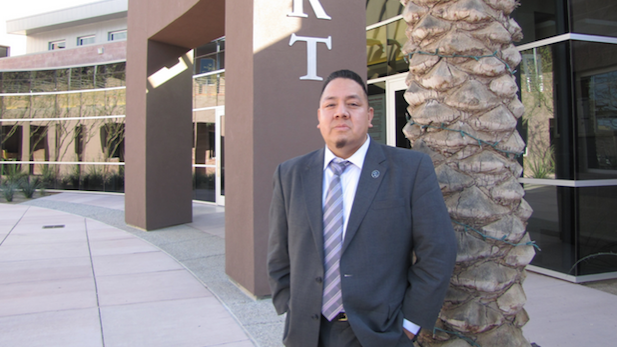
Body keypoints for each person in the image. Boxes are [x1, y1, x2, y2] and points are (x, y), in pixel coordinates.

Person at [267, 69, 457, 347]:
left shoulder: (410, 169)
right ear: (319, 117)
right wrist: (287, 303)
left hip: (380, 333)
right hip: (306, 333)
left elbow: (438, 250)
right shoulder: (290, 174)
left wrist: (409, 323)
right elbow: (278, 251)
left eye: (353, 104)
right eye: (330, 104)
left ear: (369, 117)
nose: (341, 112)